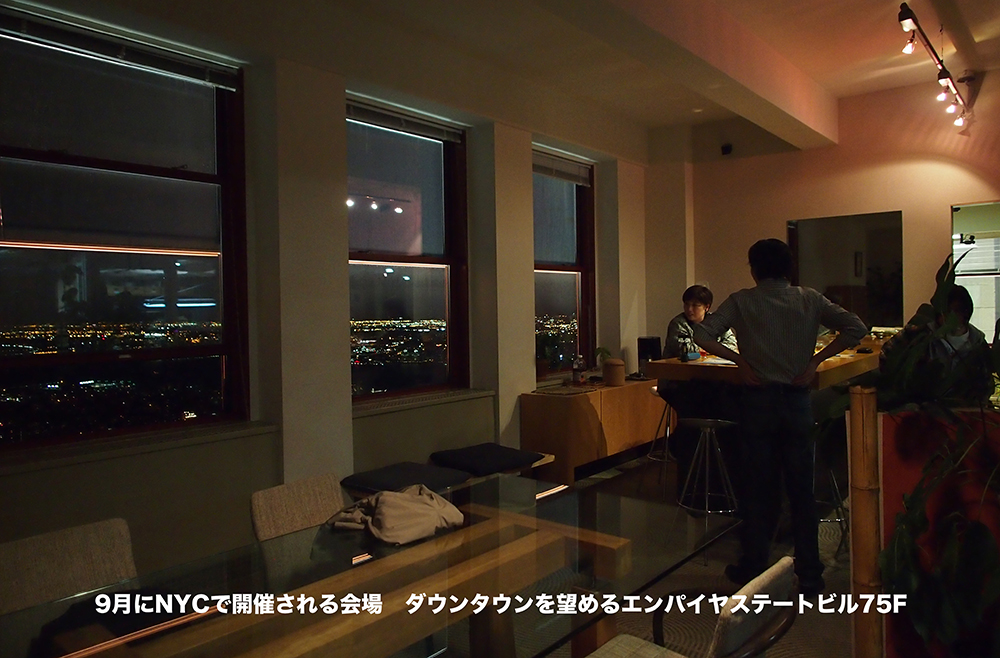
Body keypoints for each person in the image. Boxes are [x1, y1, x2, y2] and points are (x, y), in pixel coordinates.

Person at [694, 238, 868, 596]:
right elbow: (856, 327)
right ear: (789, 268)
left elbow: (702, 333)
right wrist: (815, 361)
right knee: (802, 490)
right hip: (796, 401)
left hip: (758, 401)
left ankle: (754, 566)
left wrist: (740, 362)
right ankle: (810, 573)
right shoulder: (810, 299)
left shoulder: (742, 301)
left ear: (754, 269)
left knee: (758, 487)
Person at [881, 285, 993, 405]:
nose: (945, 316)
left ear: (965, 314)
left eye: (954, 311)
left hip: (964, 410)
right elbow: (887, 355)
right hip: (919, 407)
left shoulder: (978, 344)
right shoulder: (919, 333)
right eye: (943, 311)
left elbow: (986, 385)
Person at [663, 285, 737, 358]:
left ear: (707, 307)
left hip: (710, 363)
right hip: (678, 365)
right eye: (686, 304)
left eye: (695, 305)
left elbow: (732, 344)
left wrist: (708, 349)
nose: (689, 309)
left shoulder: (715, 321)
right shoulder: (678, 323)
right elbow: (686, 350)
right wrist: (715, 349)